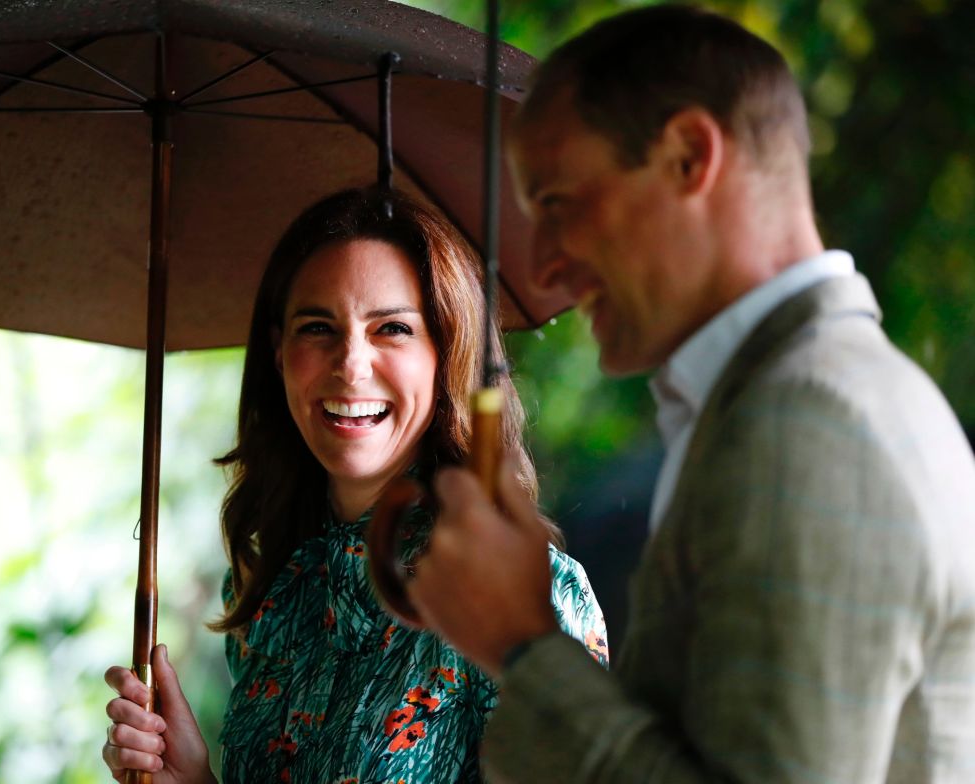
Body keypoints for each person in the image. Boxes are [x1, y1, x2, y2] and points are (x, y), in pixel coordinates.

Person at [406, 5, 975, 783]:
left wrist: (523, 644)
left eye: (560, 206)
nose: (541, 269)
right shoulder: (797, 403)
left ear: (687, 156)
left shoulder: (809, 427)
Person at [100, 187, 610, 783]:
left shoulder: (529, 597)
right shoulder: (273, 598)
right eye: (318, 327)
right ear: (278, 352)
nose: (350, 364)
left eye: (392, 328)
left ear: (448, 354)